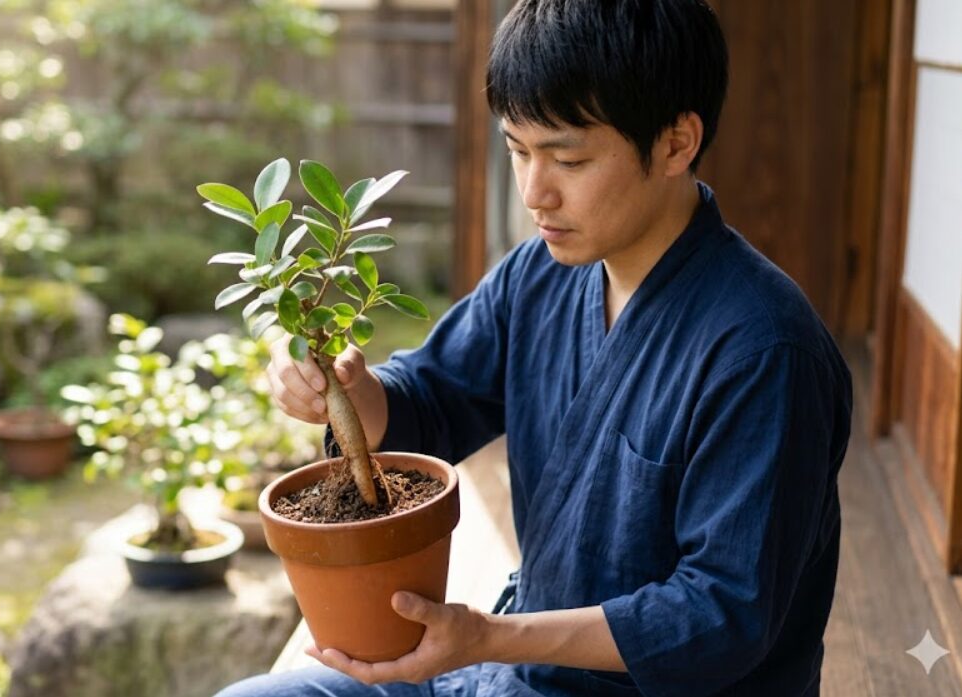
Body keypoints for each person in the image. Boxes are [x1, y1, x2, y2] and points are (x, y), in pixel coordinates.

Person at [216, 0, 852, 694]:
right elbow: (430, 399)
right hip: (507, 669)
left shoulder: (765, 349)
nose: (533, 192)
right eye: (517, 150)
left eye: (567, 158)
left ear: (676, 143)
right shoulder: (538, 276)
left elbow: (720, 613)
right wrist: (346, 394)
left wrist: (485, 636)